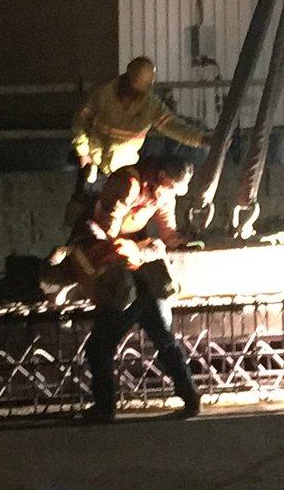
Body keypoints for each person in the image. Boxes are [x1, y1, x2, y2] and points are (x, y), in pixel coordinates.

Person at [71, 153, 200, 423]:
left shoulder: (163, 193)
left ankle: (105, 408)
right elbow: (107, 231)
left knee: (103, 346)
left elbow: (169, 232)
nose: (171, 195)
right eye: (171, 188)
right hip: (126, 271)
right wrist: (138, 250)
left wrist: (185, 240)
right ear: (162, 176)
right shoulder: (127, 183)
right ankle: (190, 398)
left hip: (139, 275)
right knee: (159, 339)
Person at [70, 58, 207, 212]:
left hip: (125, 169)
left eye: (138, 93)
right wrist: (83, 152)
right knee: (84, 212)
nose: (133, 95)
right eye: (131, 89)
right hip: (94, 164)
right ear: (126, 77)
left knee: (119, 215)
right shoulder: (102, 93)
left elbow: (173, 126)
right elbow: (81, 121)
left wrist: (202, 139)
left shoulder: (150, 105)